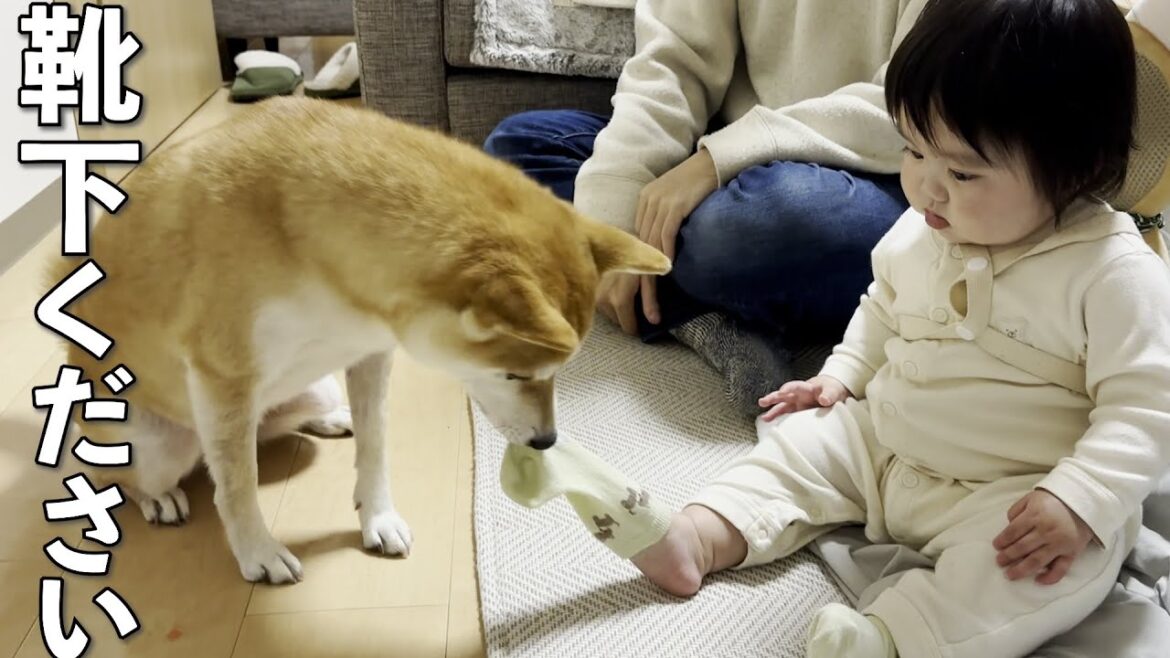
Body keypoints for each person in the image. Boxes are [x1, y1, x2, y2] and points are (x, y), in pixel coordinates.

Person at [621, 0, 1170, 655]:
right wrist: (841, 377)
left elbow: (1147, 408)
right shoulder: (924, 224)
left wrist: (1080, 499)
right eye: (913, 150)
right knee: (799, 448)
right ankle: (702, 534)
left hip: (1011, 490)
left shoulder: (1112, 272)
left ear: (1073, 167)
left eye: (962, 172)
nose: (926, 188)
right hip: (886, 440)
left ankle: (892, 636)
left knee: (1048, 568)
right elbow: (883, 306)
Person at [483, 0, 928, 416]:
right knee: (517, 155)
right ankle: (712, 315)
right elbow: (671, 64)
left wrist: (712, 163)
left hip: (885, 175)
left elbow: (917, 102)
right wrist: (612, 219)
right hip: (737, 169)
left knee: (741, 227)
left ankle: (695, 288)